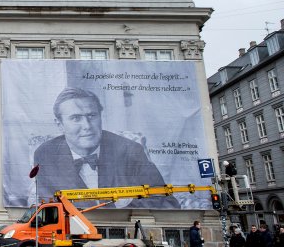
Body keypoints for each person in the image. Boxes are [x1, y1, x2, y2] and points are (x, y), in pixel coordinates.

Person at [33, 87, 180, 208]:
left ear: (100, 116)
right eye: (76, 118)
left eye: (92, 116)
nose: (87, 126)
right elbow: (46, 204)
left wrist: (124, 213)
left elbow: (164, 198)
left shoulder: (130, 150)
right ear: (60, 124)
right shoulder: (46, 154)